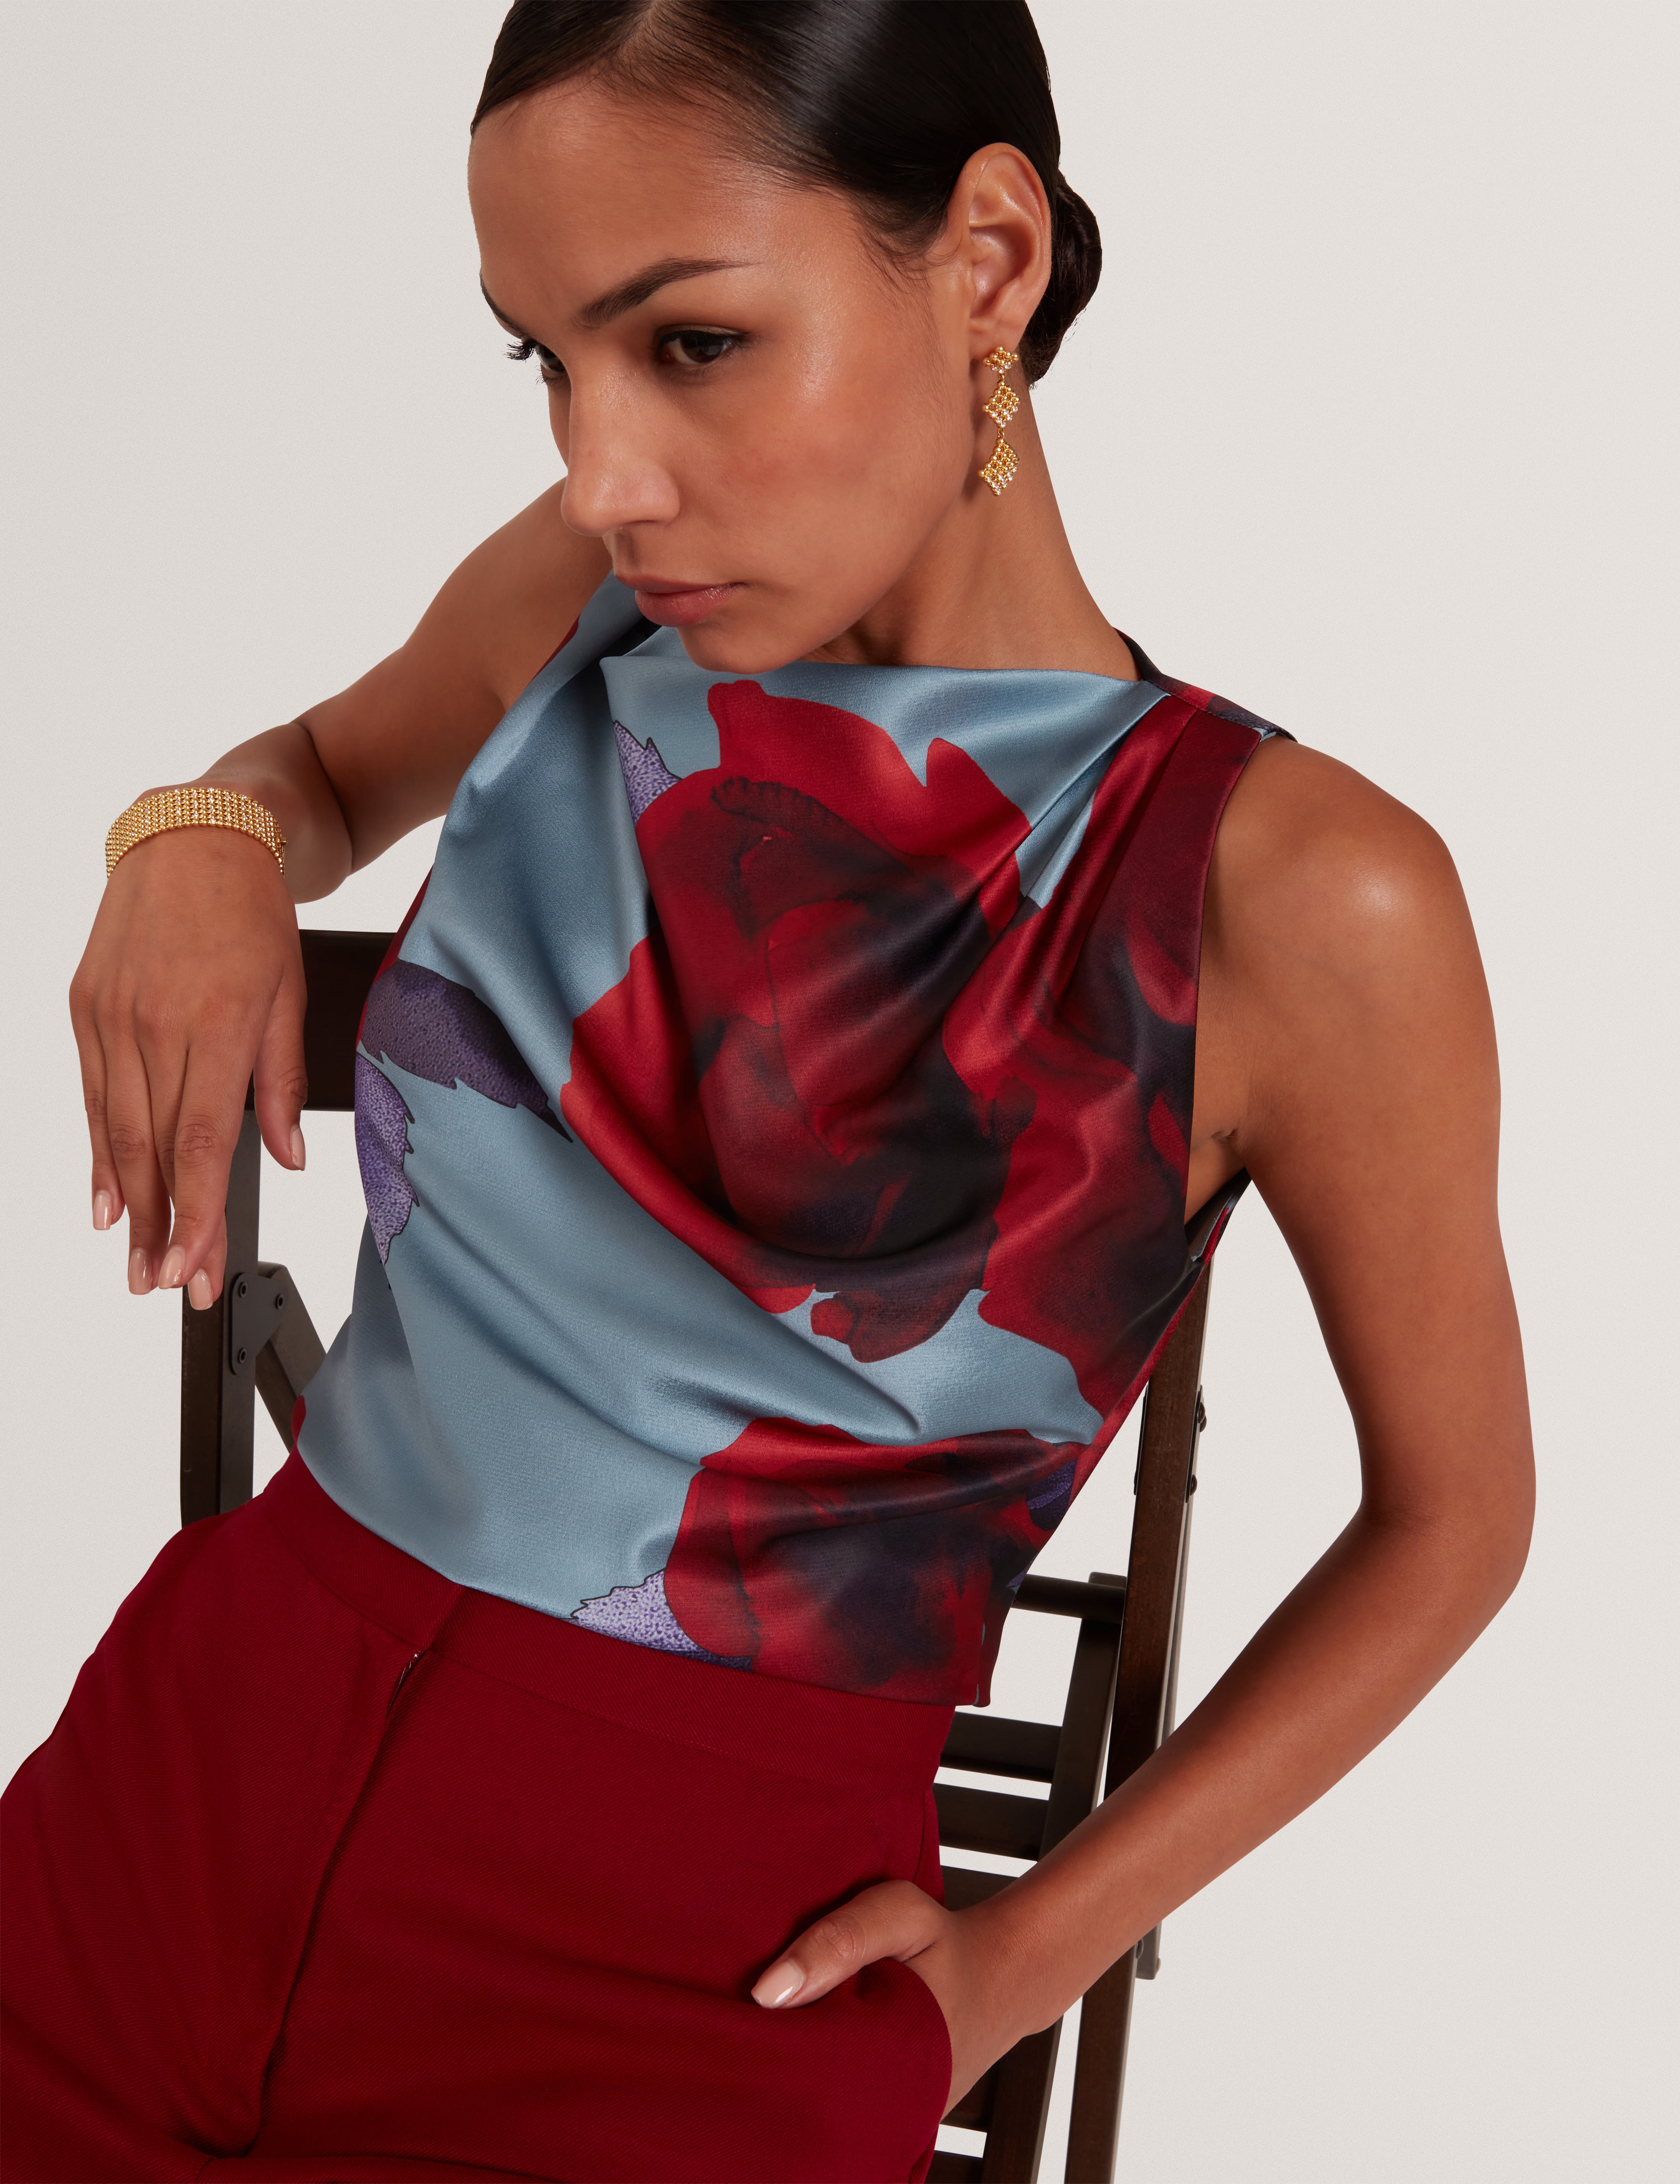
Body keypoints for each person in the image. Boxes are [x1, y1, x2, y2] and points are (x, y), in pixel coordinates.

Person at [0, 4, 1534, 2179]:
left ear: (989, 260)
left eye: (692, 343)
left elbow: (1454, 1524)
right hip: (162, 1813)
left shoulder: (1290, 891)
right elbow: (321, 772)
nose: (604, 476)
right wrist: (204, 833)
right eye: (545, 361)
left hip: (687, 1991)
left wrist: (1010, 1969)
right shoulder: (586, 611)